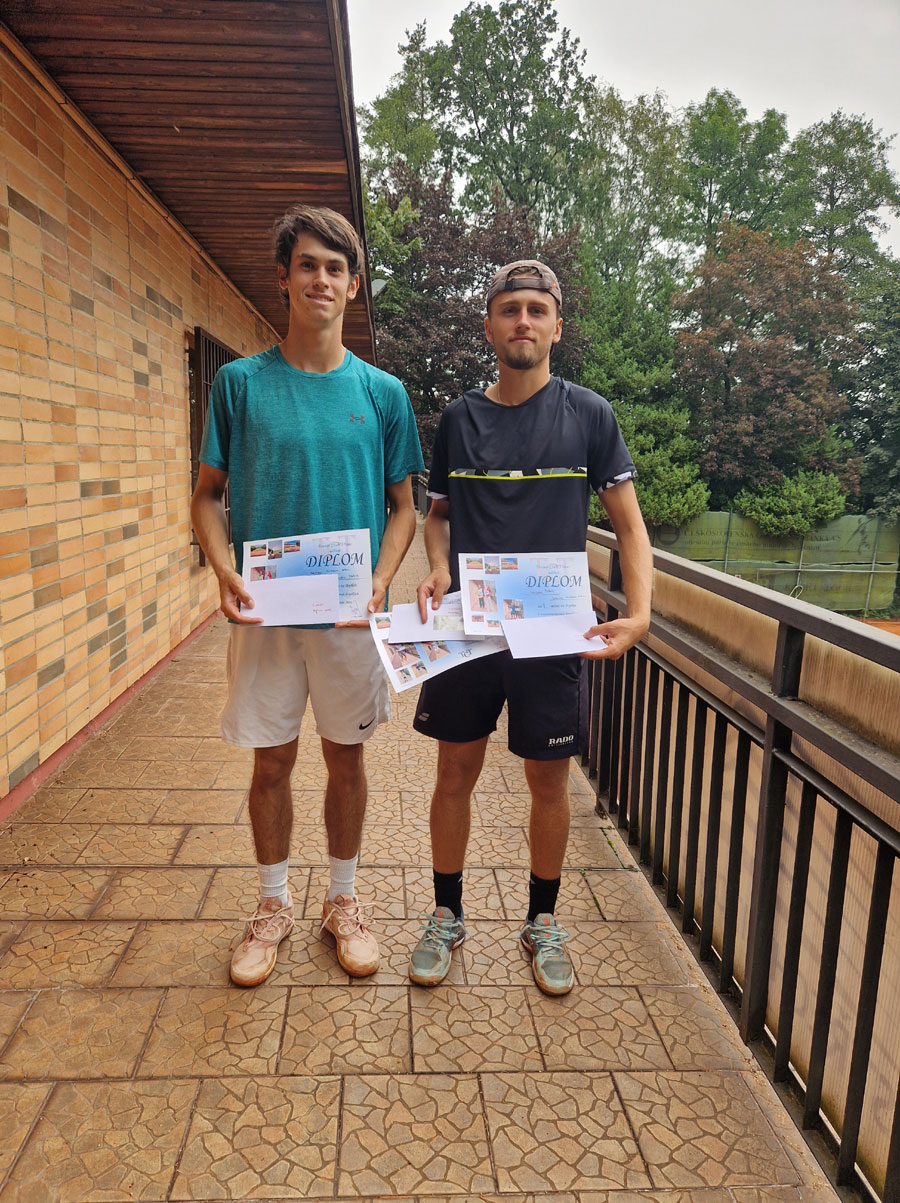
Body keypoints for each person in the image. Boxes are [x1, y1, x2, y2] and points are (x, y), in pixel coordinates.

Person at [191, 205, 424, 987]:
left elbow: (404, 507)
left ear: (353, 286)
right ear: (284, 278)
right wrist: (221, 568)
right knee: (271, 761)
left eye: (335, 267)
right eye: (308, 264)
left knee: (345, 758)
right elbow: (207, 496)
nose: (320, 278)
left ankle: (343, 900)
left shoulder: (383, 393)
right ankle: (272, 904)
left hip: (349, 616)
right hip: (266, 611)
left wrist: (381, 580)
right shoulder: (240, 383)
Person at [408, 260, 652, 996]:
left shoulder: (590, 415)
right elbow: (437, 516)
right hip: (470, 628)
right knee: (454, 773)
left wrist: (640, 613)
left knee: (550, 782)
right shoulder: (458, 419)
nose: (523, 321)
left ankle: (542, 921)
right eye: (510, 308)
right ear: (489, 325)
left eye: (536, 309)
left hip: (550, 631)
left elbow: (630, 527)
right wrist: (438, 567)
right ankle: (447, 913)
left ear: (556, 326)